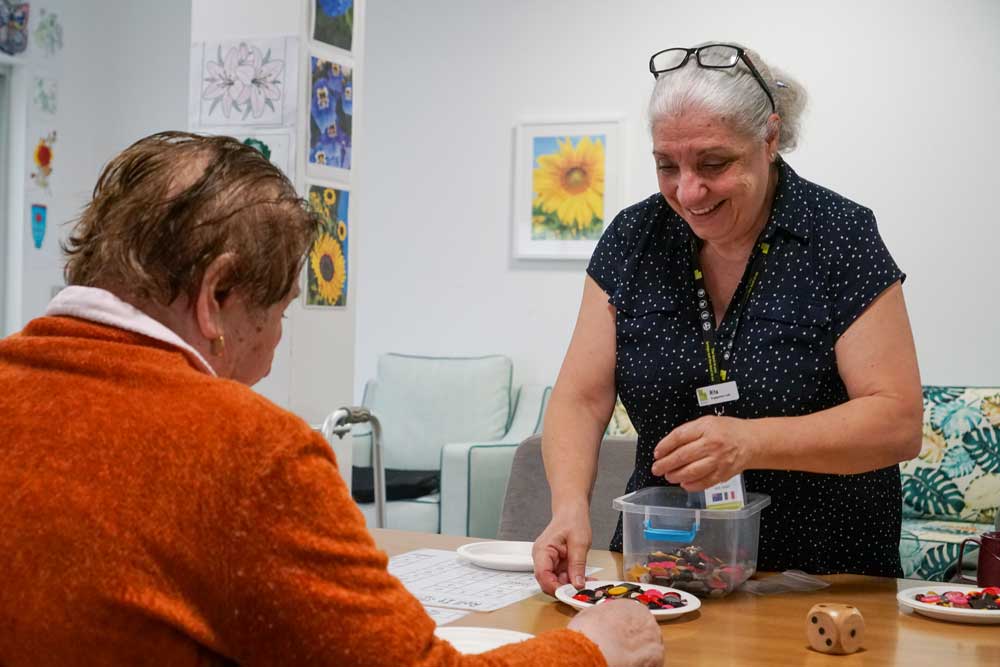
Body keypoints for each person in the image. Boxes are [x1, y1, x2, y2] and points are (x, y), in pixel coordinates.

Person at [0, 132, 663, 667]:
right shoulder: (248, 447)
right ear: (217, 296)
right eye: (281, 312)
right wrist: (592, 648)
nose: (276, 347)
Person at [533, 43, 923, 595]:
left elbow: (897, 422)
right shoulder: (633, 239)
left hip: (826, 575)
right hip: (663, 567)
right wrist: (568, 508)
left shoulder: (839, 235)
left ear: (768, 138)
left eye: (714, 164)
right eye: (667, 165)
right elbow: (581, 396)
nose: (688, 192)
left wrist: (751, 441)